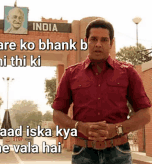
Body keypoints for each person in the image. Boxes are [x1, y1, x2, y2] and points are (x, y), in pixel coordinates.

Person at [52, 19, 151, 164]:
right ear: (86, 41)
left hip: (119, 152)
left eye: (104, 40)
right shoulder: (70, 74)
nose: (98, 44)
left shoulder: (128, 73)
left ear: (111, 43)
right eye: (94, 39)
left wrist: (117, 129)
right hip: (83, 153)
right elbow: (57, 114)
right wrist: (80, 127)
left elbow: (145, 115)